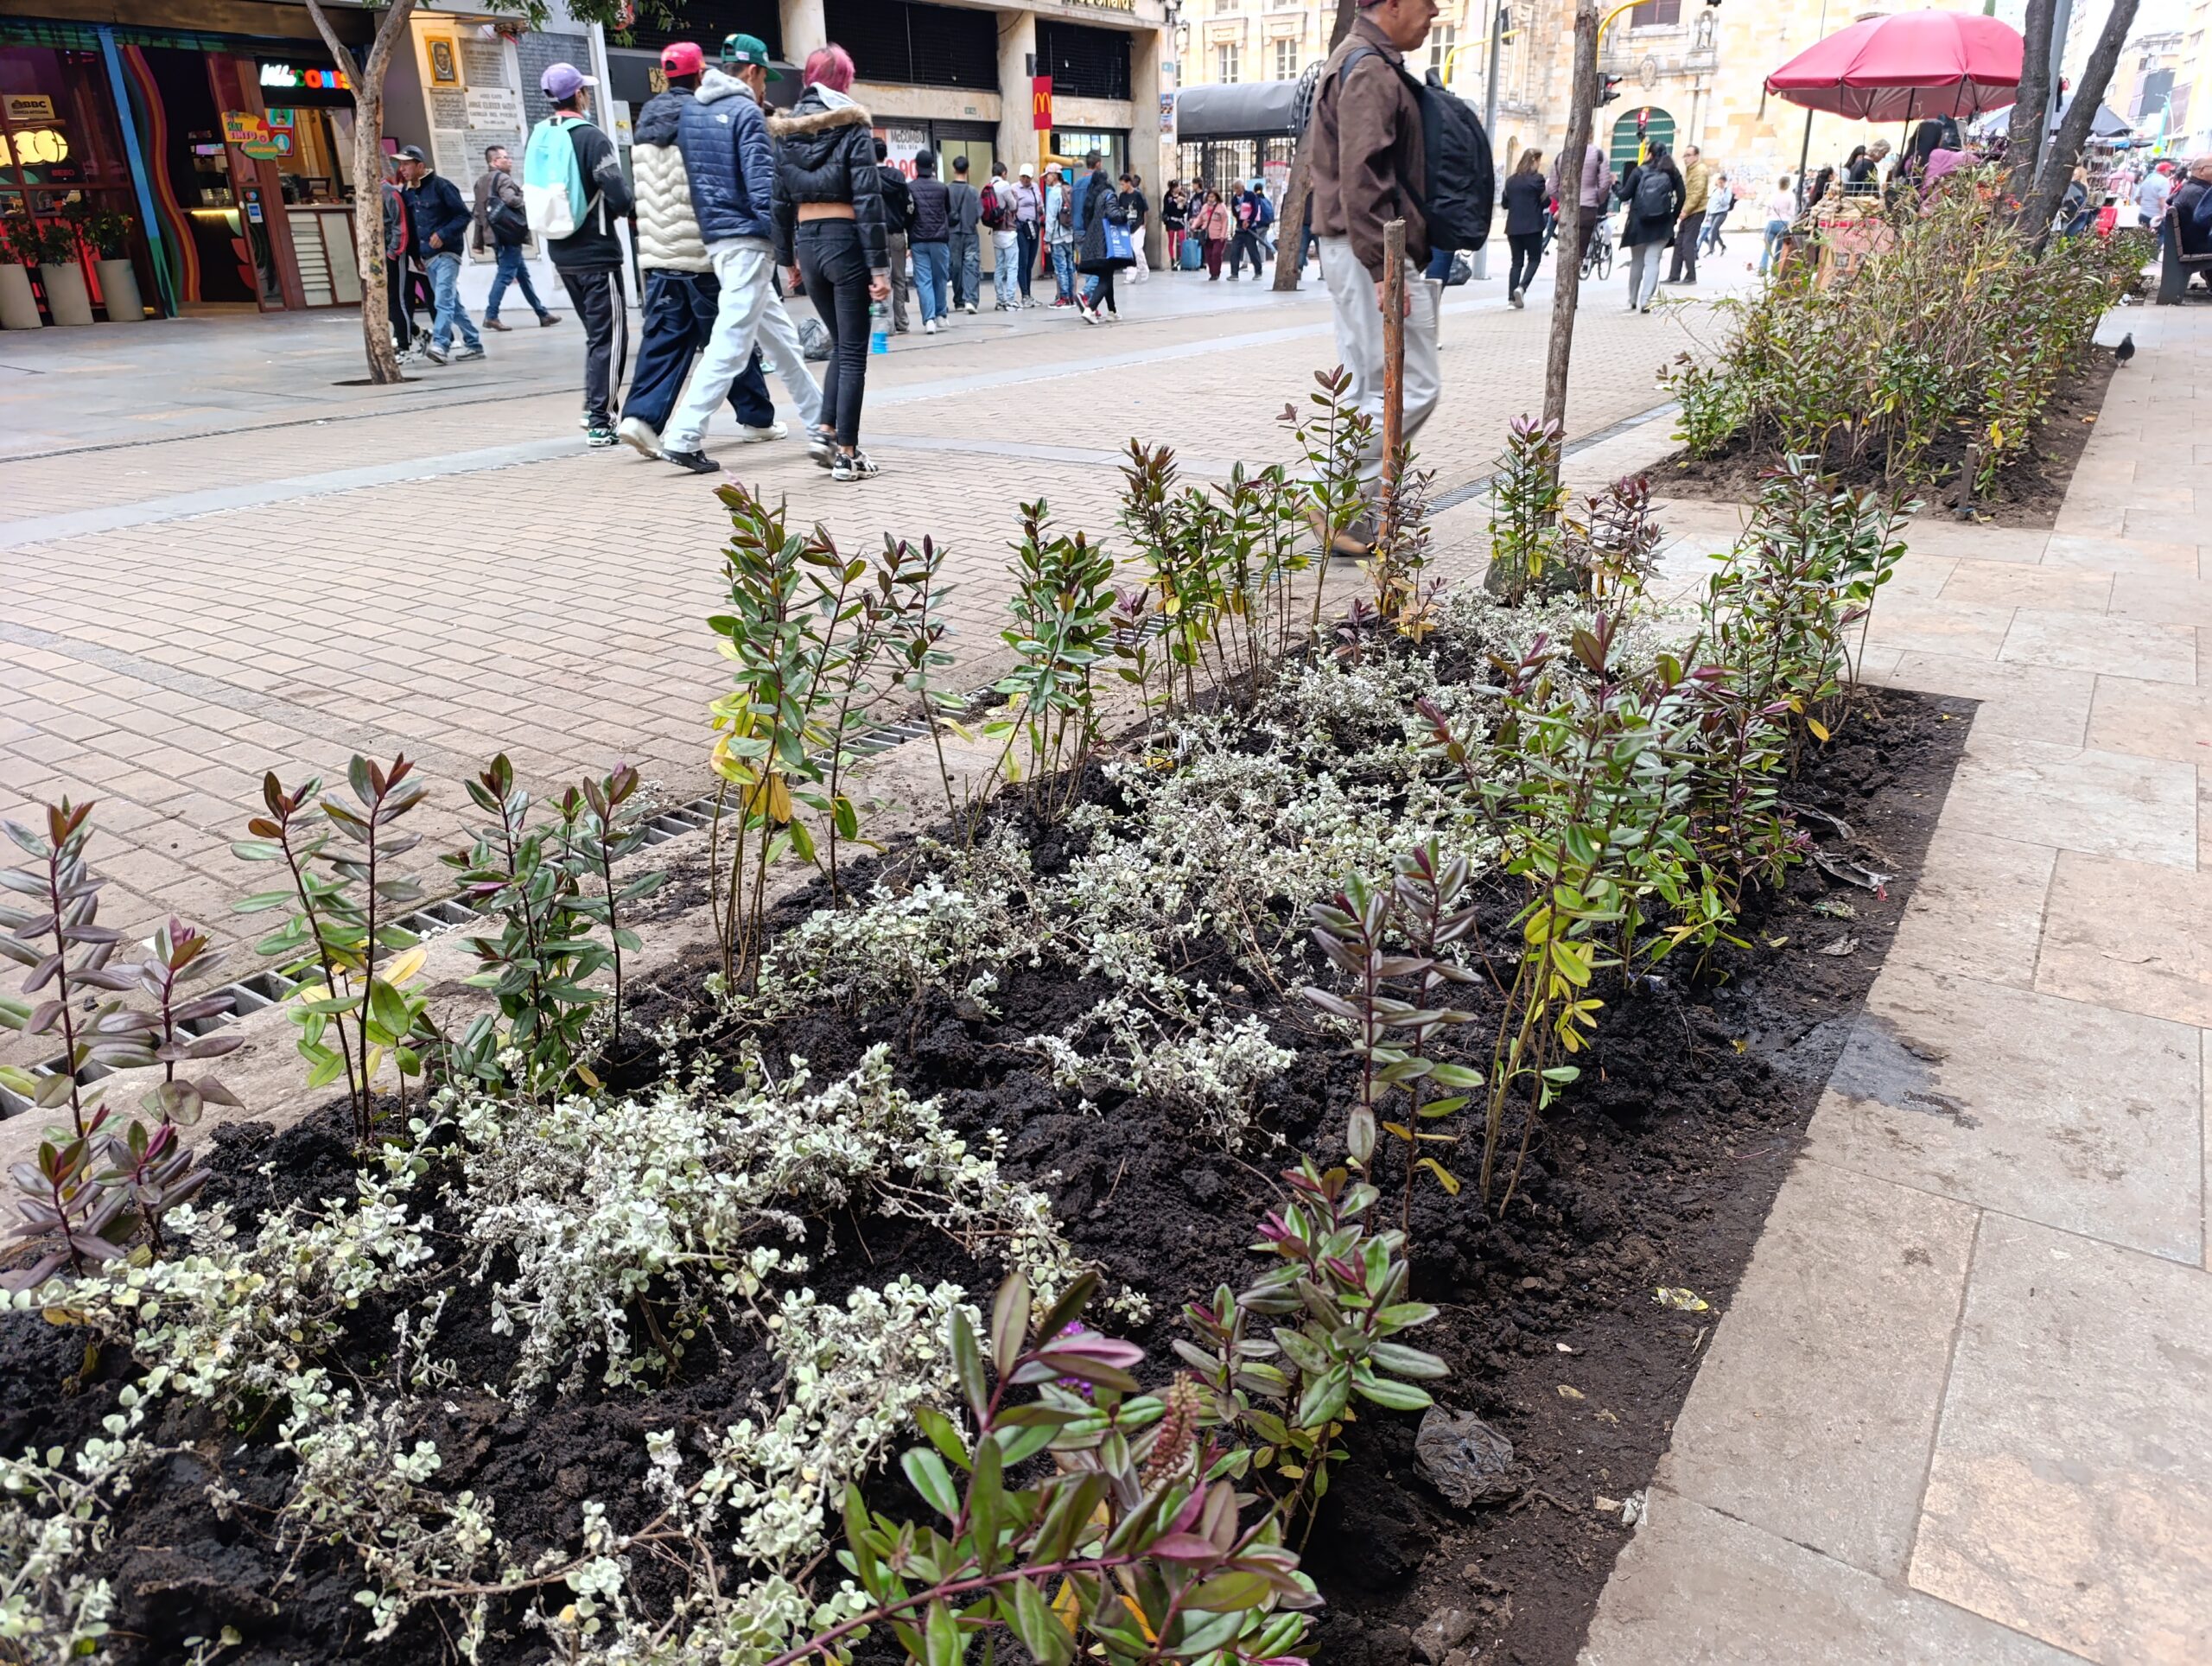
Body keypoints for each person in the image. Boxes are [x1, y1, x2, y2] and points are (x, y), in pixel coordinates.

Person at [1311, 0, 1443, 557]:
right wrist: (1383, 269)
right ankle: (1326, 493)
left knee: (1369, 385)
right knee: (1414, 385)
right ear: (1391, 4)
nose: (1434, 11)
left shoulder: (1362, 59)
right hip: (1370, 249)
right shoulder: (1366, 66)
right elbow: (1362, 176)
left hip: (1358, 249)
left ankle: (1354, 516)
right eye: (1424, 1)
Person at [658, 34, 824, 474]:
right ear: (751, 72)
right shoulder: (746, 111)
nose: (765, 87)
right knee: (731, 342)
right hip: (749, 237)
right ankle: (684, 433)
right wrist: (785, 249)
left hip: (717, 236)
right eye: (764, 77)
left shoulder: (692, 109)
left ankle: (823, 423)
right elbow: (761, 184)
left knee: (783, 343)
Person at [618, 38, 784, 460]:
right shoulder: (701, 117)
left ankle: (640, 417)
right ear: (698, 74)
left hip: (657, 255)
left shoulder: (645, 121)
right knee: (730, 339)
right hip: (700, 252)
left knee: (664, 340)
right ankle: (757, 419)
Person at [769, 42, 891, 480]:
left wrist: (787, 259)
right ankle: (848, 453)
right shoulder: (852, 123)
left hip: (807, 242)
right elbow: (867, 199)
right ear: (843, 80)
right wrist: (880, 269)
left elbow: (778, 201)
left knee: (841, 342)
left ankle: (824, 428)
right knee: (854, 350)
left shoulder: (785, 128)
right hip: (844, 242)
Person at [532, 62, 632, 446]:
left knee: (597, 335)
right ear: (579, 95)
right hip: (597, 252)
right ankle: (600, 418)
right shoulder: (592, 138)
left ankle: (599, 406)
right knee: (610, 337)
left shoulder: (540, 135)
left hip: (561, 250)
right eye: (585, 91)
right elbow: (620, 196)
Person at [397, 146, 482, 364]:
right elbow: (412, 227)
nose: (402, 168)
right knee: (452, 301)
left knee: (442, 300)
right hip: (426, 257)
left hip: (447, 253)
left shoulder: (441, 186)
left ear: (420, 166)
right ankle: (474, 343)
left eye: (406, 164)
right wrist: (416, 256)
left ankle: (440, 344)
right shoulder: (407, 192)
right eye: (401, 164)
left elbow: (463, 216)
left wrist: (443, 234)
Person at [471, 144, 558, 330]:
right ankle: (491, 315)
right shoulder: (503, 178)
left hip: (494, 236)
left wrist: (478, 241)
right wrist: (526, 198)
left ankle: (542, 314)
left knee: (523, 276)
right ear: (494, 161)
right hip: (508, 235)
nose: (509, 160)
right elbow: (511, 199)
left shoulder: (480, 182)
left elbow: (478, 213)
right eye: (505, 157)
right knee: (504, 276)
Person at [1618, 140, 1683, 313]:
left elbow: (1624, 196)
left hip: (1639, 223)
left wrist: (1614, 185)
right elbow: (1682, 197)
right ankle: (1646, 301)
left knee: (1637, 262)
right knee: (1653, 261)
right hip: (1662, 224)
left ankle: (1632, 299)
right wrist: (1673, 217)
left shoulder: (1639, 171)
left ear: (1649, 154)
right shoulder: (1672, 172)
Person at [1548, 137, 1614, 286]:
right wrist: (1597, 199)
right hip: (1587, 209)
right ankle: (1571, 297)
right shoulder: (1598, 154)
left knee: (1565, 254)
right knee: (1578, 256)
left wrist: (1564, 200)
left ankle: (1562, 293)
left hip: (1567, 210)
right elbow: (1605, 184)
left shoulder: (1561, 155)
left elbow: (1551, 187)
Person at [1074, 151, 1131, 322]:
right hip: (1107, 242)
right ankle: (1090, 308)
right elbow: (1114, 215)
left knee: (1107, 276)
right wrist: (1124, 213)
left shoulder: (1091, 195)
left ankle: (1112, 310)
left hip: (1091, 239)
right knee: (1104, 278)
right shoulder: (1108, 195)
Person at [906, 149, 953, 332]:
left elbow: (908, 215)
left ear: (916, 166)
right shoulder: (942, 188)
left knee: (923, 279)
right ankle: (941, 315)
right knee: (940, 278)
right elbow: (948, 211)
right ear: (933, 166)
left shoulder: (910, 188)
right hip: (940, 239)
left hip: (918, 239)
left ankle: (929, 320)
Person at [874, 137, 914, 332]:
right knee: (899, 278)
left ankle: (886, 324)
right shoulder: (898, 176)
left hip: (876, 235)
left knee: (881, 278)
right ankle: (902, 321)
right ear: (886, 154)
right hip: (897, 233)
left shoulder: (868, 177)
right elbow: (908, 206)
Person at [1500, 147, 1546, 308]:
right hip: (1533, 226)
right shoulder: (1538, 179)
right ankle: (1522, 287)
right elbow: (1545, 201)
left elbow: (1505, 204)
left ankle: (1511, 301)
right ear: (1534, 161)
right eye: (1539, 161)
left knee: (1516, 262)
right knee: (1534, 259)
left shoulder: (1511, 180)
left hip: (1513, 227)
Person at [379, 156, 414, 354]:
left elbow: (400, 225)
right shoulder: (366, 194)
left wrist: (393, 252)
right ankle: (411, 333)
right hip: (377, 254)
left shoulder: (389, 193)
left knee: (397, 298)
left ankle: (403, 343)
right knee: (385, 298)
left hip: (391, 252)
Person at [1665, 143, 1707, 284]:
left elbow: (1697, 193)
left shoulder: (1700, 170)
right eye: (1685, 155)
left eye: (1688, 155)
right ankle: (1674, 275)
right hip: (1689, 212)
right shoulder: (1691, 170)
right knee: (1679, 243)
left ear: (1696, 156)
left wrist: (1685, 210)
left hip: (1695, 212)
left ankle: (1691, 275)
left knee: (1687, 244)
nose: (1685, 158)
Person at [985, 160, 1022, 309]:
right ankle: (1011, 299)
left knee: (999, 266)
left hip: (995, 231)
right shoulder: (1004, 186)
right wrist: (1015, 196)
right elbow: (1013, 206)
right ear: (1004, 173)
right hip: (1008, 231)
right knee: (1012, 266)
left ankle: (1000, 299)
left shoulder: (989, 186)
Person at [947, 155, 982, 313]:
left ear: (954, 169)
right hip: (970, 233)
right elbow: (978, 214)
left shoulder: (947, 190)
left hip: (952, 233)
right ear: (968, 170)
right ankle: (971, 300)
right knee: (971, 265)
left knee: (955, 267)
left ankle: (959, 300)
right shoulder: (973, 191)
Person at [1044, 165, 1078, 305]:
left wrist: (1047, 239)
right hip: (1069, 234)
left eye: (1048, 175)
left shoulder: (1053, 194)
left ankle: (1063, 297)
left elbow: (1051, 219)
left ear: (1055, 175)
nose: (1046, 179)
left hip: (1057, 237)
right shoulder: (1067, 190)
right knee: (1070, 267)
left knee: (1060, 268)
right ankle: (1071, 296)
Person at [1228, 178, 1268, 278]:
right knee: (1234, 251)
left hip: (1250, 228)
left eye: (1238, 188)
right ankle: (1234, 273)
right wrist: (1242, 222)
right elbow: (1235, 213)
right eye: (1235, 189)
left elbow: (1255, 210)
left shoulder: (1250, 195)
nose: (1236, 191)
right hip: (1240, 229)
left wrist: (1249, 221)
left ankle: (1258, 272)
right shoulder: (1234, 200)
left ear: (1242, 187)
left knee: (1252, 250)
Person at [1014, 164, 1042, 304]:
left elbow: (1040, 204)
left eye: (1028, 177)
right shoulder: (1014, 188)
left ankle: (1029, 294)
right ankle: (1024, 294)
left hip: (1034, 227)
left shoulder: (1035, 187)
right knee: (1023, 261)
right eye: (1023, 177)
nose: (1025, 180)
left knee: (1030, 261)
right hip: (1021, 227)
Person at [1759, 174, 1794, 276]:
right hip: (1784, 223)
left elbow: (1767, 210)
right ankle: (1775, 270)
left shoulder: (1773, 195)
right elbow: (1792, 212)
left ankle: (1762, 269)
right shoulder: (1790, 196)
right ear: (1788, 185)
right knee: (1779, 249)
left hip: (1772, 222)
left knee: (1767, 248)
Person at [1194, 188, 1231, 279]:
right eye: (1209, 197)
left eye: (1212, 197)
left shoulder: (1221, 207)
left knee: (1216, 254)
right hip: (1207, 236)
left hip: (1218, 236)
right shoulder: (1205, 207)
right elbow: (1200, 218)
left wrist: (1223, 234)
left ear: (1216, 197)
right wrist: (1194, 225)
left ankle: (1216, 273)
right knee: (1209, 255)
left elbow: (1225, 221)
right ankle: (1212, 273)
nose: (1210, 199)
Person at [1123, 171, 1150, 283]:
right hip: (1127, 227)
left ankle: (1144, 269)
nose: (1122, 186)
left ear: (1129, 183)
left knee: (1137, 249)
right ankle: (1131, 276)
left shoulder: (1138, 195)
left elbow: (1145, 209)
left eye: (1123, 184)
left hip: (1139, 225)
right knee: (1130, 252)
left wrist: (1145, 223)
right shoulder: (1122, 196)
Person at [1699, 166, 1733, 254]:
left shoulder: (1727, 191)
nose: (1720, 184)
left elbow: (1725, 203)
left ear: (1725, 183)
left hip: (1722, 213)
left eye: (1722, 183)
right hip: (1713, 213)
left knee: (1713, 229)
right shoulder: (1714, 191)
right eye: (1719, 183)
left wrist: (1722, 194)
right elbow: (1710, 204)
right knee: (1715, 232)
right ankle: (1723, 246)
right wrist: (1707, 215)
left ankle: (1711, 249)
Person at [1162, 180, 1188, 265]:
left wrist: (1184, 204)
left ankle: (1182, 258)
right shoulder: (1168, 196)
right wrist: (1175, 202)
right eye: (1176, 187)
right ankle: (1172, 259)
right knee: (1171, 240)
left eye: (1179, 186)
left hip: (1180, 220)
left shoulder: (1183, 195)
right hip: (1171, 221)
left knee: (1182, 240)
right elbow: (1166, 209)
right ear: (1172, 188)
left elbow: (1185, 210)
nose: (1178, 188)